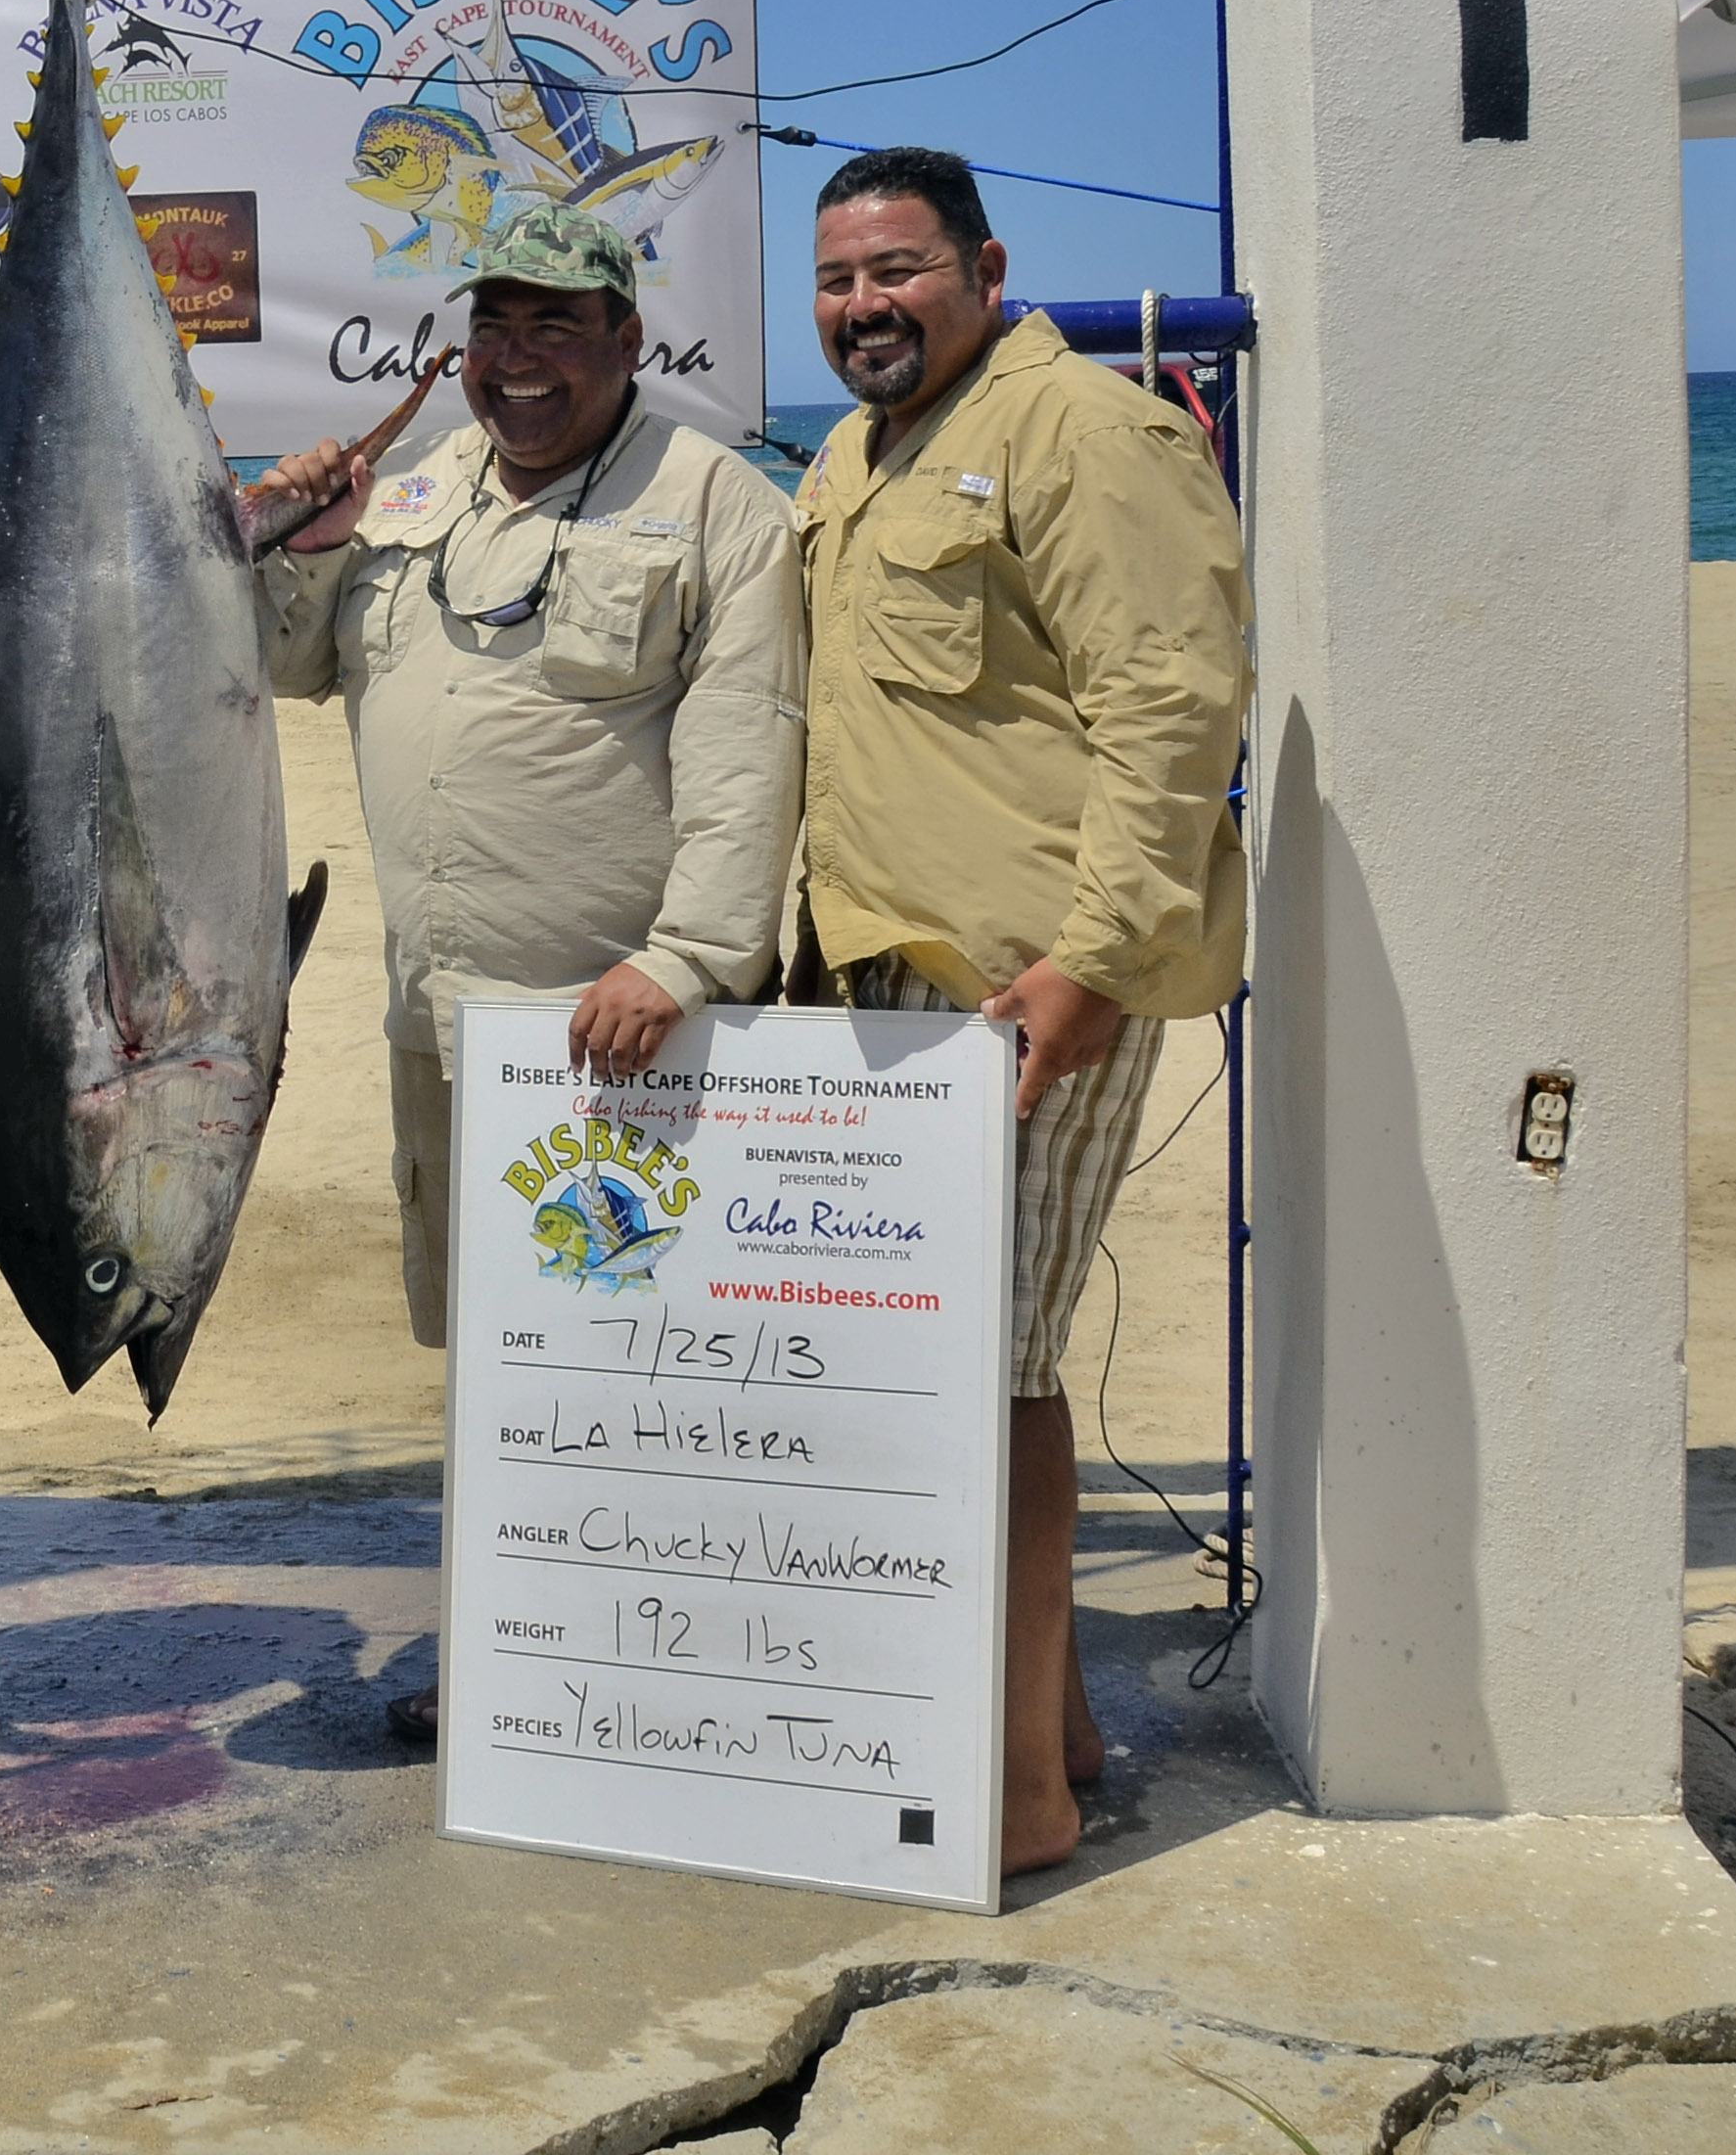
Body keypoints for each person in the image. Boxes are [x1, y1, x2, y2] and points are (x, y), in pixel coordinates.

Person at [250, 200, 807, 1739]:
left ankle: (665, 1664)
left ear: (630, 339)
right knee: (501, 1362)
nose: (520, 360)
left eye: (560, 325)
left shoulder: (720, 505)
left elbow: (750, 755)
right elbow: (294, 664)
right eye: (497, 325)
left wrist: (687, 961)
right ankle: (519, 1656)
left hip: (619, 1042)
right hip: (445, 1034)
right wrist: (302, 544)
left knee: (642, 1354)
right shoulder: (419, 491)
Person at [791, 149, 1248, 1876]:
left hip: (1026, 986)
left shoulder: (1089, 430)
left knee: (986, 1380)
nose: (864, 308)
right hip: (893, 984)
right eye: (838, 280)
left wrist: (1089, 971)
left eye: (898, 272)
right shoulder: (853, 453)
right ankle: (1052, 1731)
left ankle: (1018, 1802)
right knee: (960, 1366)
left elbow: (1176, 702)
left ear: (986, 266)